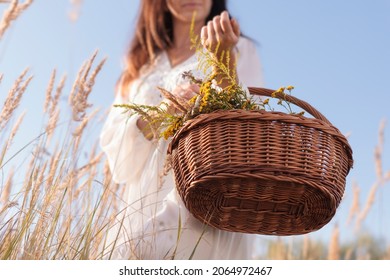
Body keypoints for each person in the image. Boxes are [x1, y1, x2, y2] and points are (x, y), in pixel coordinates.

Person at [100, 0, 263, 259]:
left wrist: (224, 64)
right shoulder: (139, 67)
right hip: (141, 205)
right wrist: (164, 111)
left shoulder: (240, 47)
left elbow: (250, 139)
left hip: (205, 207)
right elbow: (117, 155)